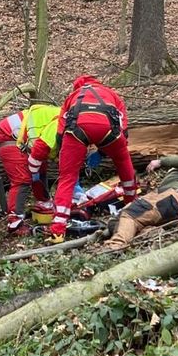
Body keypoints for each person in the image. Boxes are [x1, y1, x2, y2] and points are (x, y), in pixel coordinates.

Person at [30, 75, 138, 243]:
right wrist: (108, 151)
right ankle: (134, 210)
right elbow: (123, 128)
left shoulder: (73, 97)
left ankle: (58, 231)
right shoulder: (111, 94)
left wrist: (65, 155)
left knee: (67, 178)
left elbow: (60, 131)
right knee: (124, 165)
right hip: (109, 131)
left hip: (76, 132)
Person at [101, 155, 178, 250]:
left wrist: (161, 162)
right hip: (170, 207)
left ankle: (115, 247)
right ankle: (147, 233)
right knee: (116, 221)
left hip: (172, 198)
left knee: (130, 214)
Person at [0, 102, 60, 234]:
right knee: (22, 179)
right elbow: (41, 147)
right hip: (9, 136)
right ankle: (14, 222)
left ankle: (43, 203)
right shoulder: (61, 123)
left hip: (24, 136)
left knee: (41, 171)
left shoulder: (67, 118)